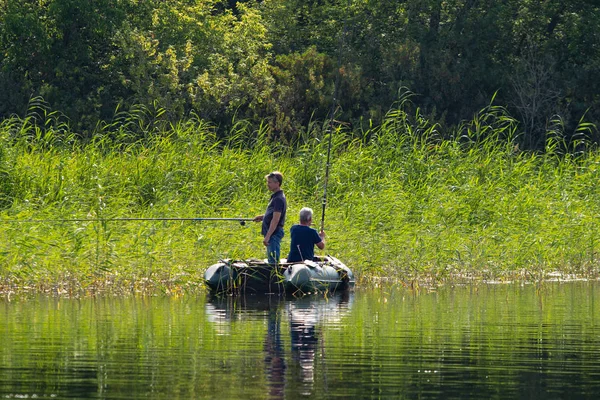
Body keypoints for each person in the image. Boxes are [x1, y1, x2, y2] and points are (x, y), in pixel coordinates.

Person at [253, 171, 287, 264]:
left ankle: (274, 277)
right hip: (272, 233)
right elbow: (273, 215)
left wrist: (268, 236)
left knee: (273, 262)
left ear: (277, 183)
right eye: (267, 182)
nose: (268, 184)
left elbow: (276, 220)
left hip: (274, 234)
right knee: (271, 259)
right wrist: (263, 217)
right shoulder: (275, 197)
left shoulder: (279, 199)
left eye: (270, 182)